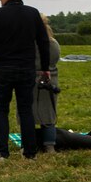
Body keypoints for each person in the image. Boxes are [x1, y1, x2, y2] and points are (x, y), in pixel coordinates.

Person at [0, 0, 51, 161]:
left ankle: (2, 152)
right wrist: (44, 67)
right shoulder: (33, 13)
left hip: (2, 68)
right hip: (26, 68)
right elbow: (43, 42)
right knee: (25, 110)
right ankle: (29, 152)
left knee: (1, 110)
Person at [32, 14, 61, 153]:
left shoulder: (29, 43)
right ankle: (50, 145)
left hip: (31, 79)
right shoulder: (53, 43)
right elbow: (55, 60)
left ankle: (28, 144)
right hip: (50, 79)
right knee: (48, 114)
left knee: (28, 114)